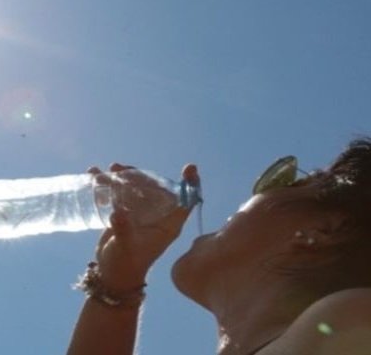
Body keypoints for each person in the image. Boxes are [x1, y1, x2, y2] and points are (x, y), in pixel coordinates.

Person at [66, 138, 371, 355]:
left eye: (287, 182)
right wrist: (117, 284)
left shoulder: (350, 320)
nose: (252, 193)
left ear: (325, 229)